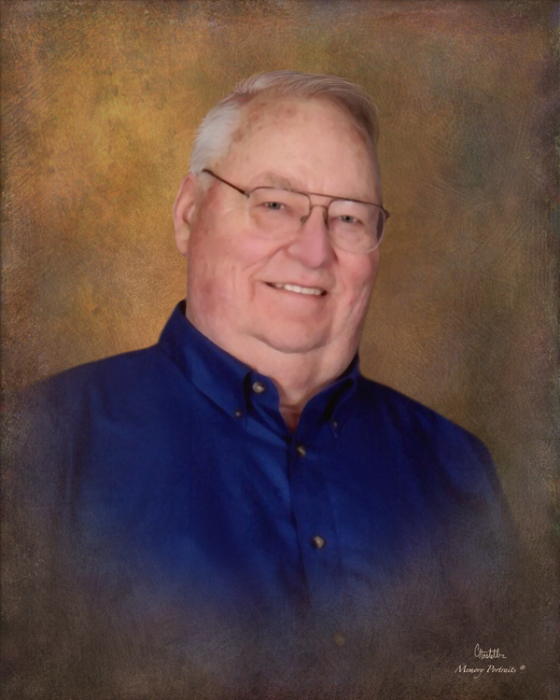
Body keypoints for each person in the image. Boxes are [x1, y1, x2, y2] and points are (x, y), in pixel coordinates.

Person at [5, 71, 526, 700]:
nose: (314, 252)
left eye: (349, 217)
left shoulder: (456, 470)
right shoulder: (40, 445)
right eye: (275, 204)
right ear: (189, 214)